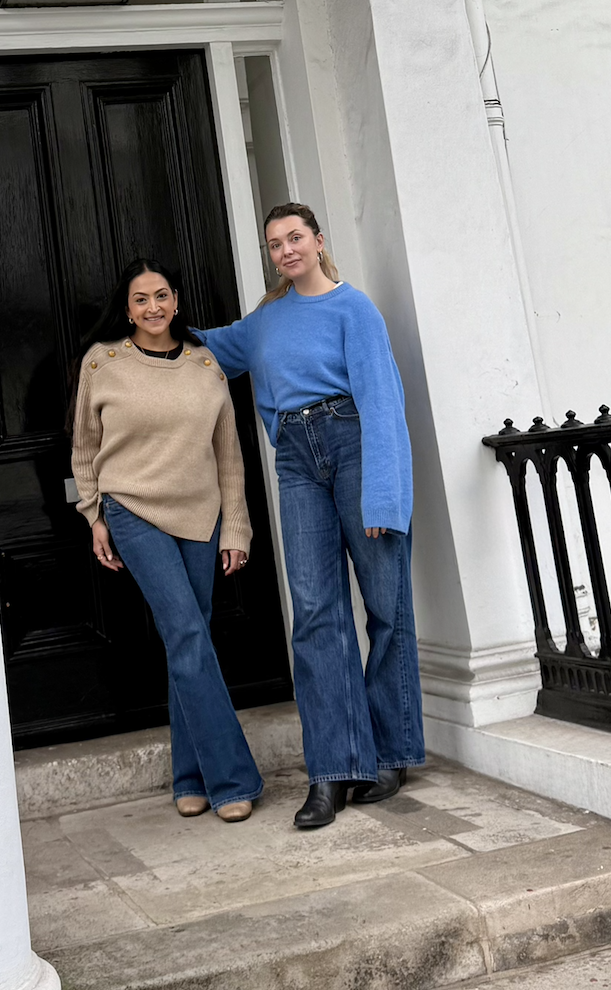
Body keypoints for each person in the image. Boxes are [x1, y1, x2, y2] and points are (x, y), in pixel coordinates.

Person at [196, 204, 423, 829]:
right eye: (274, 243)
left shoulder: (355, 309)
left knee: (384, 606)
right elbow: (206, 350)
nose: (285, 249)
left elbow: (382, 403)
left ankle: (392, 751)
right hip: (296, 460)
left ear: (319, 242)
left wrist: (383, 497)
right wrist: (146, 325)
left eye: (295, 237)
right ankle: (334, 771)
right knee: (316, 612)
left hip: (354, 445)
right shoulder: (266, 321)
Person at [70, 258, 263, 822]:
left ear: (176, 301)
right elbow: (84, 448)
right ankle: (233, 779)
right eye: (139, 299)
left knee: (191, 642)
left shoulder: (207, 366)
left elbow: (229, 457)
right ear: (126, 308)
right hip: (132, 509)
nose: (152, 307)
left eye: (160, 296)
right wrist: (94, 514)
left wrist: (236, 527)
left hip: (200, 517)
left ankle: (189, 776)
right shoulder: (102, 363)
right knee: (185, 633)